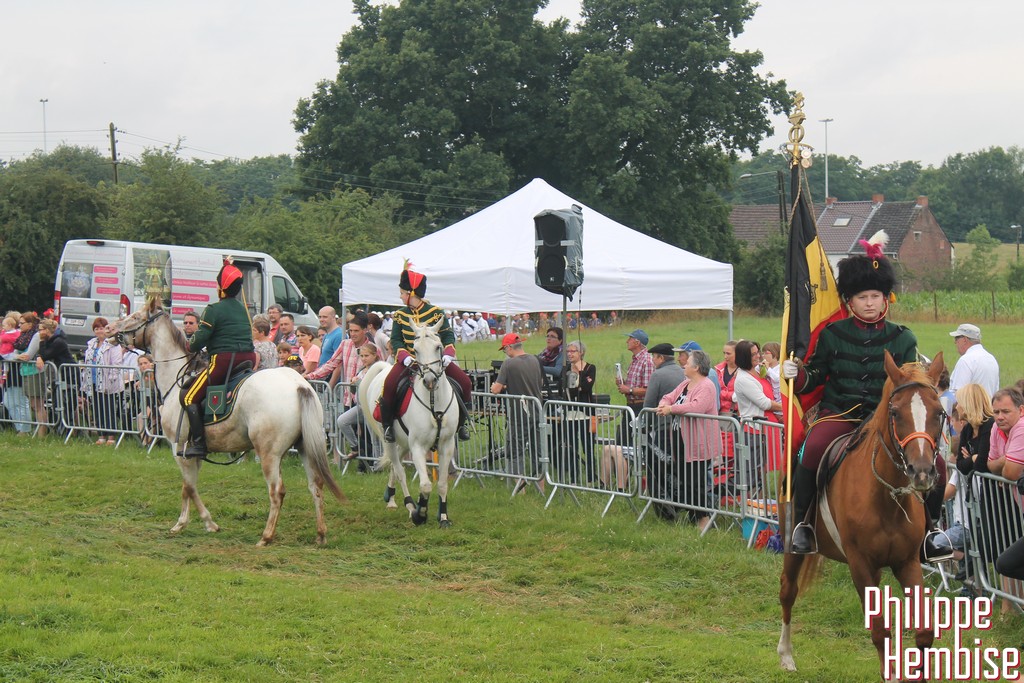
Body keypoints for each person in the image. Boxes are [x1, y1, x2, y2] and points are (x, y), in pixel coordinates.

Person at [781, 232, 949, 560]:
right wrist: (796, 374)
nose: (870, 303)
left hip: (886, 418)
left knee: (938, 463)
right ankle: (803, 524)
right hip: (839, 415)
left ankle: (932, 530)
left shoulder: (903, 338)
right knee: (811, 449)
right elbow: (813, 378)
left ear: (886, 299)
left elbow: (911, 384)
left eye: (875, 296)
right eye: (862, 297)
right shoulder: (832, 334)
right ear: (850, 301)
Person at [381, 261, 473, 443]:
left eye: (402, 293)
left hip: (435, 361)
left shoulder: (435, 312)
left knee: (465, 382)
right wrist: (404, 358)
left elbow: (448, 335)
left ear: (411, 293)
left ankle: (462, 424)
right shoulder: (400, 315)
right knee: (389, 385)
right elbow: (396, 340)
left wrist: (448, 354)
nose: (400, 296)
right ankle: (388, 426)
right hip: (410, 361)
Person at [180, 258, 258, 458]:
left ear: (222, 289)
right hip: (248, 359)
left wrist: (189, 344)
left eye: (217, 285)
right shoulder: (243, 309)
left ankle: (198, 444)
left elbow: (199, 339)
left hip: (224, 360)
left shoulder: (213, 309)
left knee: (189, 397)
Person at [656, 349, 720, 530]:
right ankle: (694, 515)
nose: (683, 365)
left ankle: (703, 519)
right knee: (686, 479)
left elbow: (697, 406)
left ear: (696, 367)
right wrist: (664, 405)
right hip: (681, 440)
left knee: (696, 481)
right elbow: (668, 397)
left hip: (698, 442)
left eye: (687, 362)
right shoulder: (685, 383)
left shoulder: (706, 386)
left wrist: (671, 409)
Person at [491, 333, 545, 482]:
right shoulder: (535, 359)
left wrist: (495, 386)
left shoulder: (508, 364)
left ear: (509, 347)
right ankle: (541, 485)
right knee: (538, 451)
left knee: (515, 451)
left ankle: (519, 488)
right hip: (538, 411)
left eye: (504, 349)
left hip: (519, 415)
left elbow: (496, 389)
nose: (505, 353)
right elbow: (539, 382)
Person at [81, 316, 126, 445]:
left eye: (101, 328)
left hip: (108, 382)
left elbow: (116, 363)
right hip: (94, 380)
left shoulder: (113, 344)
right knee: (97, 408)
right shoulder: (91, 344)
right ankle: (101, 435)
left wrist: (111, 379)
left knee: (108, 409)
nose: (99, 331)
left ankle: (111, 436)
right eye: (96, 329)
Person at [558, 340, 597, 484]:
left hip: (586, 413)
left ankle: (591, 479)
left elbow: (586, 387)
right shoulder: (565, 369)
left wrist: (578, 375)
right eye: (568, 351)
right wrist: (576, 386)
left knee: (588, 447)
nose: (569, 354)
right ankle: (574, 479)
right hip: (569, 414)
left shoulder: (590, 368)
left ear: (581, 352)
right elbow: (564, 390)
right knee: (571, 447)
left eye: (572, 351)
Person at [335, 343, 382, 463]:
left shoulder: (378, 370)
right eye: (361, 356)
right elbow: (355, 391)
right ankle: (356, 447)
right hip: (361, 406)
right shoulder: (361, 369)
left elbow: (371, 388)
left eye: (366, 356)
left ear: (374, 355)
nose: (363, 358)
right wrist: (353, 384)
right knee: (342, 421)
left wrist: (358, 383)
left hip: (373, 407)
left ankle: (378, 463)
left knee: (375, 438)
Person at [948, 323, 1000, 399]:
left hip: (969, 407)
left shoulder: (966, 360)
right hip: (989, 406)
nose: (955, 342)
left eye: (956, 338)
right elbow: (995, 392)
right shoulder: (991, 359)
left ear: (964, 339)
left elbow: (958, 394)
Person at [616, 329, 653, 412]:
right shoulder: (635, 360)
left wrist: (629, 390)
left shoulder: (647, 361)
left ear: (637, 343)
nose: (627, 341)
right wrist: (623, 384)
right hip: (631, 406)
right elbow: (635, 385)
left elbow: (649, 390)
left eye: (630, 339)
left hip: (641, 407)